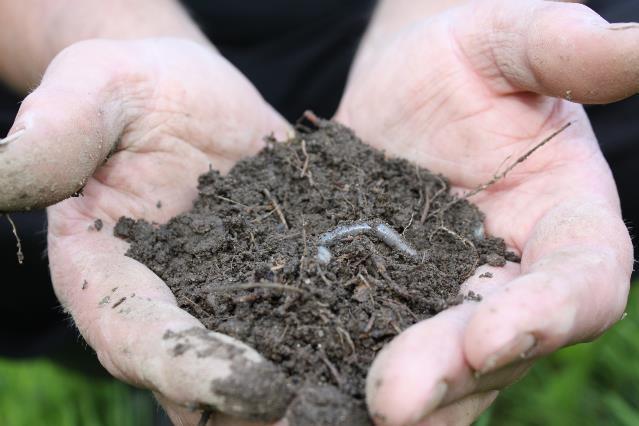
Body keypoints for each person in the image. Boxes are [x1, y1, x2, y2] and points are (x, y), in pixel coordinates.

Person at [0, 0, 637, 424]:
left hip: (386, 42)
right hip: (111, 42)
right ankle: (173, 390)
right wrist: (115, 46)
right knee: (71, 237)